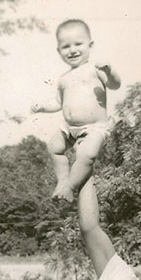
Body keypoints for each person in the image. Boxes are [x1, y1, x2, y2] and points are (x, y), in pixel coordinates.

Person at [31, 19, 121, 202]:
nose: (72, 50)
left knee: (86, 154)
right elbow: (58, 102)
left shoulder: (95, 69)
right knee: (54, 148)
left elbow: (115, 85)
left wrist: (110, 70)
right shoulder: (63, 78)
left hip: (95, 127)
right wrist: (43, 107)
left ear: (90, 45)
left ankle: (70, 187)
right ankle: (63, 180)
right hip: (69, 128)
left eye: (78, 44)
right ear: (59, 51)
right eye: (66, 47)